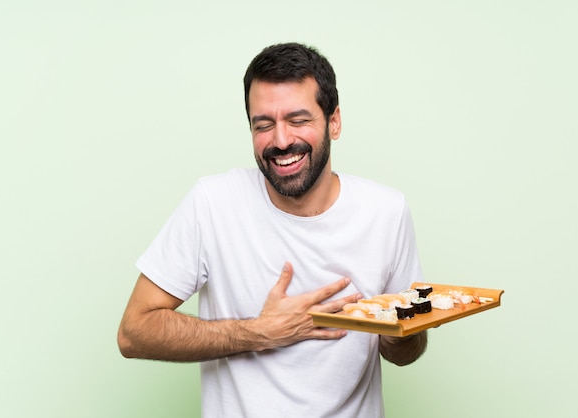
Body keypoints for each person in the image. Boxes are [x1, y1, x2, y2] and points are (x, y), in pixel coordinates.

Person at [118, 42, 427, 418]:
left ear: (334, 121)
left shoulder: (387, 211)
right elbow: (134, 332)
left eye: (298, 120)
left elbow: (406, 352)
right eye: (263, 124)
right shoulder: (213, 203)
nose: (280, 141)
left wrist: (395, 330)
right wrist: (259, 333)